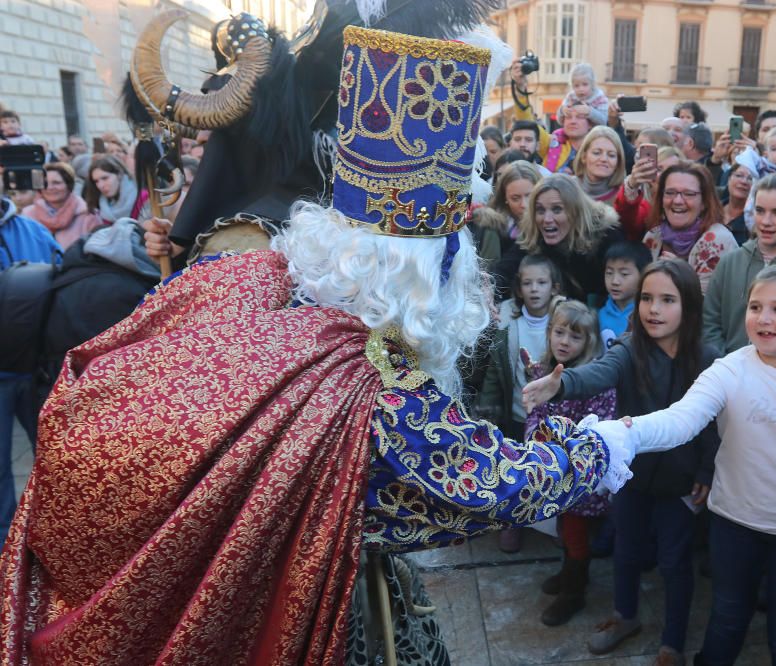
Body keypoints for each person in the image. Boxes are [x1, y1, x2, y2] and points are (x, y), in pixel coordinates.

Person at [0, 24, 632, 664]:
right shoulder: (378, 387)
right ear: (427, 269)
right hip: (305, 593)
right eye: (452, 253)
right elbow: (481, 484)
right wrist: (604, 449)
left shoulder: (242, 271)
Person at [597, 264, 776, 666]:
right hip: (734, 523)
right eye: (755, 306)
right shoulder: (730, 369)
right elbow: (680, 420)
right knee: (726, 619)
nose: (763, 318)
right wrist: (623, 434)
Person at [525, 259, 720, 666]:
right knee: (626, 551)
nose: (654, 309)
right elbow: (598, 373)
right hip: (631, 479)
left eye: (667, 300)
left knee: (674, 563)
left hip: (681, 485)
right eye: (647, 298)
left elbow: (714, 423)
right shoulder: (630, 348)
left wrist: (706, 470)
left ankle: (672, 643)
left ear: (689, 307)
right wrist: (562, 385)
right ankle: (625, 615)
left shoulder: (707, 358)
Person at [524, 299, 615, 626]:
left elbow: (599, 424)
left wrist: (565, 450)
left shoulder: (595, 380)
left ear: (588, 342)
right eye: (559, 333)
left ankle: (574, 593)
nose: (564, 341)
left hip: (580, 476)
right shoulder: (541, 371)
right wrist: (535, 441)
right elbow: (535, 412)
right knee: (564, 527)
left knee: (576, 532)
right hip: (550, 469)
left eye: (574, 337)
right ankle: (569, 573)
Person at [475, 254, 562, 554]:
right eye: (528, 283)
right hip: (516, 414)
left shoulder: (564, 319)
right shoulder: (508, 321)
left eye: (541, 282)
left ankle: (551, 521)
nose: (535, 289)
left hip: (551, 417)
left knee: (551, 471)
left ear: (554, 287)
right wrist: (487, 413)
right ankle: (513, 522)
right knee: (514, 472)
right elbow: (493, 372)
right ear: (519, 288)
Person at [0, 184, 62, 547]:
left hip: (34, 366)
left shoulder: (32, 230)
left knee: (52, 455)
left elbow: (59, 279)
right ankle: (6, 546)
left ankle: (53, 534)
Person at [703, 173, 776, 353]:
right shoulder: (730, 261)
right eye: (760, 211)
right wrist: (725, 365)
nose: (766, 221)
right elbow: (709, 322)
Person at [495, 173, 622, 304]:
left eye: (557, 209)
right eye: (540, 210)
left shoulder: (606, 237)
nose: (547, 219)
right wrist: (488, 286)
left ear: (576, 211)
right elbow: (504, 271)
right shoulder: (534, 237)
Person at [643, 161, 737, 294]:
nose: (677, 201)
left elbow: (705, 307)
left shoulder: (717, 240)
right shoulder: (653, 237)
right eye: (670, 192)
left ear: (704, 202)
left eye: (689, 194)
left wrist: (680, 273)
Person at [22, 163, 102, 249]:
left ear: (69, 185)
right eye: (45, 183)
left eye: (56, 183)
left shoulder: (88, 215)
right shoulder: (27, 216)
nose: (50, 187)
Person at [482, 160, 541, 259]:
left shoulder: (552, 224)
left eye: (529, 196)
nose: (524, 204)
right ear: (505, 198)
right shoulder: (492, 228)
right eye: (515, 198)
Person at [598, 241, 651, 348]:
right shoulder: (599, 315)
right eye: (609, 273)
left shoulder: (647, 313)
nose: (614, 281)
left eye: (624, 274)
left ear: (643, 275)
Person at [83, 155, 149, 225]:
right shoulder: (100, 204)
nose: (100, 185)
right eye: (96, 181)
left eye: (105, 178)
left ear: (119, 174)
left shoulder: (143, 198)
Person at [556, 62, 608, 127]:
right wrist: (562, 111)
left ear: (592, 84)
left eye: (585, 84)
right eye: (576, 86)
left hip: (594, 134)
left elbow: (604, 121)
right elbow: (560, 121)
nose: (581, 89)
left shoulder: (600, 98)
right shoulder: (571, 97)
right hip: (574, 132)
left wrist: (589, 111)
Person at [720, 164, 752, 245]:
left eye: (750, 178)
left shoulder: (753, 221)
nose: (744, 181)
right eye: (739, 175)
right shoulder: (712, 209)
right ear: (728, 179)